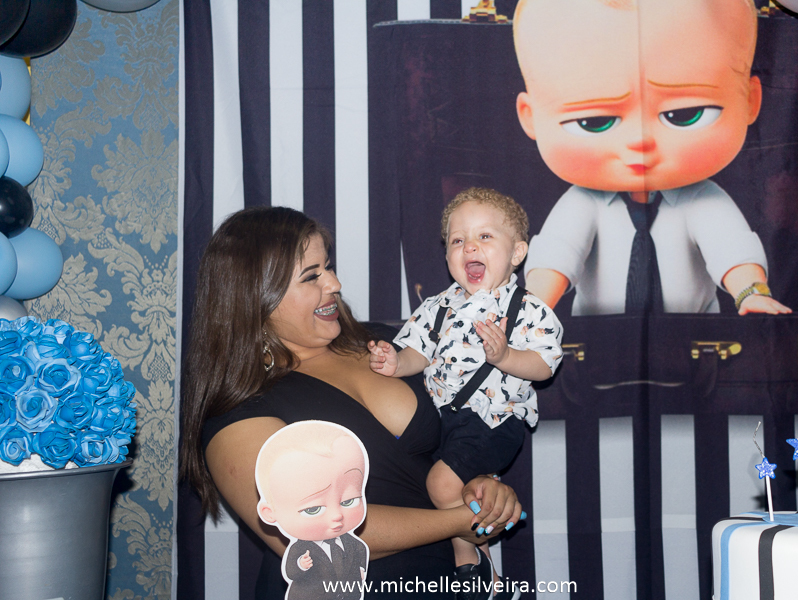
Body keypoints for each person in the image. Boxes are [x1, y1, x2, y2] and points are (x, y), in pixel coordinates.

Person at [179, 206, 523, 600]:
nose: (335, 283)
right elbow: (315, 532)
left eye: (328, 266)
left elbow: (449, 441)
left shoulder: (381, 344)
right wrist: (461, 521)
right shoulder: (238, 412)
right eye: (312, 276)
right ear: (255, 296)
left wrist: (476, 485)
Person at [513, 0, 793, 317]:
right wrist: (532, 308)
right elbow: (557, 256)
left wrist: (750, 293)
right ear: (531, 117)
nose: (640, 142)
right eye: (594, 121)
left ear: (749, 100)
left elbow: (730, 249)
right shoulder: (582, 203)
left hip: (694, 341)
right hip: (599, 343)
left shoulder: (702, 200)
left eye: (684, 114)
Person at [368, 188, 563, 598]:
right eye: (458, 240)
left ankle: (472, 560)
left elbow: (545, 366)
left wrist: (507, 355)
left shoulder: (527, 310)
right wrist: (394, 362)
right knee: (447, 487)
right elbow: (417, 352)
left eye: (485, 237)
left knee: (441, 486)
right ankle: (477, 558)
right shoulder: (437, 307)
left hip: (495, 419)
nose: (469, 246)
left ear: (517, 253)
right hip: (444, 421)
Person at [255, 422, 369, 599]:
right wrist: (301, 565)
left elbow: (360, 555)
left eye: (348, 501)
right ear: (270, 512)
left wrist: (360, 571)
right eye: (313, 509)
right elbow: (291, 571)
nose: (337, 515)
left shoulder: (355, 544)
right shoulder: (300, 549)